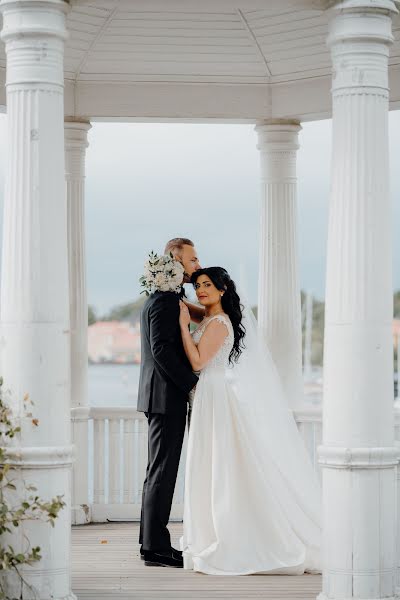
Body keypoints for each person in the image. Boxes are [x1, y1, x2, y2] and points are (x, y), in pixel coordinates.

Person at [179, 267, 321, 576]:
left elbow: (199, 361)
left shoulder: (217, 323)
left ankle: (233, 533)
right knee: (210, 461)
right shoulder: (208, 317)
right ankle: (209, 529)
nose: (201, 290)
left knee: (218, 462)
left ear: (223, 290)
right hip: (207, 397)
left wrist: (180, 326)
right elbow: (190, 308)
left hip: (213, 395)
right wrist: (174, 291)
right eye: (198, 285)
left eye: (207, 285)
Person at [137, 238, 201, 568]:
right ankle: (157, 548)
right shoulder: (165, 301)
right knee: (162, 472)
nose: (198, 265)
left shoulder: (166, 298)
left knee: (156, 472)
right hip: (166, 397)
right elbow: (162, 351)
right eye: (193, 259)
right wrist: (193, 385)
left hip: (159, 396)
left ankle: (150, 543)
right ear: (176, 262)